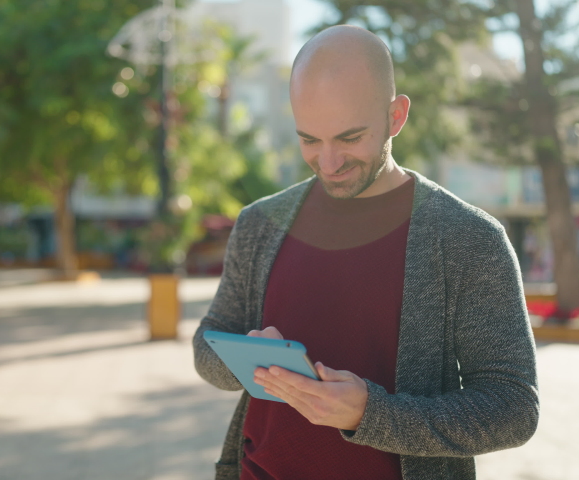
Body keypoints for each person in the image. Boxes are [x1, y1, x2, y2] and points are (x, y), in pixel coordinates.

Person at [192, 25, 538, 480]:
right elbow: (208, 342)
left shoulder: (467, 239)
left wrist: (370, 415)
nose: (329, 162)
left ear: (396, 116)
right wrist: (248, 362)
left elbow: (513, 409)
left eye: (350, 138)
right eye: (309, 140)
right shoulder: (260, 224)